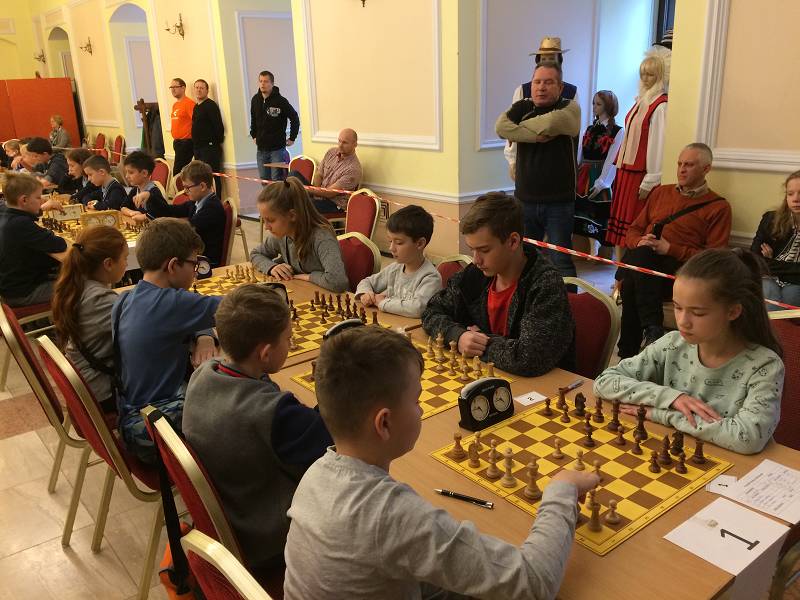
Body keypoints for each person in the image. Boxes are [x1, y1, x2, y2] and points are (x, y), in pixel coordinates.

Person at [283, 326, 599, 599]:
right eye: (416, 400)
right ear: (384, 423)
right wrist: (561, 492)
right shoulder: (393, 515)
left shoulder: (316, 473)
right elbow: (534, 583)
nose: (421, 410)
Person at [183, 284, 332, 590]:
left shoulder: (204, 373)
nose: (291, 343)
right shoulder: (276, 414)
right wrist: (333, 389)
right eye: (288, 339)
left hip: (235, 510)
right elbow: (333, 445)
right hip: (267, 538)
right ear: (265, 353)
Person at [595, 249, 784, 455]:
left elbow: (747, 438)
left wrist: (661, 414)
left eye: (697, 312)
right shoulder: (672, 344)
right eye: (677, 307)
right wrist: (672, 398)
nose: (683, 321)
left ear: (733, 311)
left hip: (735, 466)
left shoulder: (765, 365)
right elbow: (604, 382)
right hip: (676, 453)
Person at [422, 192, 575, 377]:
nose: (476, 260)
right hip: (490, 375)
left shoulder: (546, 284)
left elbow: (529, 358)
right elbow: (431, 311)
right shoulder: (475, 274)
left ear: (513, 241)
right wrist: (458, 335)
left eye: (484, 250)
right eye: (472, 250)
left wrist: (480, 341)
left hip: (542, 386)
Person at [112, 218, 221, 462]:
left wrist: (203, 335)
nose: (196, 271)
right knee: (245, 395)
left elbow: (190, 313)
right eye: (194, 264)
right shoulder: (171, 303)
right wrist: (275, 292)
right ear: (173, 265)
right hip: (154, 430)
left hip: (131, 413)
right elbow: (241, 308)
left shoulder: (126, 298)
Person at [616, 143, 732, 358]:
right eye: (679, 164)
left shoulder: (718, 207)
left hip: (680, 273)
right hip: (645, 265)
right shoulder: (661, 192)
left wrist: (671, 249)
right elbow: (633, 230)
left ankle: (628, 354)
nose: (682, 170)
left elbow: (715, 258)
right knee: (640, 260)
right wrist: (640, 241)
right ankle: (651, 328)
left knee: (633, 278)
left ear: (706, 169)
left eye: (689, 165)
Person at [495, 60, 581, 278]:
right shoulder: (522, 106)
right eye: (537, 82)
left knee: (561, 261)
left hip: (559, 202)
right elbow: (501, 127)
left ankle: (566, 300)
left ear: (560, 87)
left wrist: (518, 130)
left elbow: (550, 124)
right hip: (525, 199)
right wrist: (535, 136)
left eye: (548, 82)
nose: (541, 87)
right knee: (524, 260)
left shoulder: (569, 108)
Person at [51, 226, 128, 408]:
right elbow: (149, 326)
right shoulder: (99, 299)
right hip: (102, 392)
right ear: (108, 264)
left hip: (87, 383)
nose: (126, 264)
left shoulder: (79, 284)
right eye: (125, 258)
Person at [606, 48, 670, 251]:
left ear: (660, 76)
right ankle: (619, 268)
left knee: (634, 228)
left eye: (650, 74)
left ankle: (629, 269)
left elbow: (658, 143)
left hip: (639, 175)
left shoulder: (660, 106)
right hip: (626, 173)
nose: (645, 79)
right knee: (621, 231)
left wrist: (651, 178)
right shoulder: (640, 103)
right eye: (643, 74)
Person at [250, 177, 348, 293]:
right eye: (263, 220)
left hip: (331, 297)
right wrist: (271, 267)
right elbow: (255, 254)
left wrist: (308, 276)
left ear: (292, 215)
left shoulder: (321, 237)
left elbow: (338, 281)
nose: (266, 227)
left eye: (270, 220)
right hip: (302, 292)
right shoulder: (282, 234)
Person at [504, 36, 579, 179]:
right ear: (538, 60)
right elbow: (511, 128)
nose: (548, 62)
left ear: (559, 60)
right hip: (528, 163)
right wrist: (512, 161)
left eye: (552, 58)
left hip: (559, 163)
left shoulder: (571, 92)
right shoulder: (522, 91)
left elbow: (573, 130)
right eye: (544, 58)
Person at [355, 205, 441, 318]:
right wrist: (366, 293)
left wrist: (382, 303)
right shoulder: (394, 268)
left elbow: (418, 308)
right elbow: (367, 282)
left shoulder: (430, 277)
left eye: (399, 243)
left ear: (420, 243)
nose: (391, 248)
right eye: (390, 241)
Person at [0, 172, 67, 306]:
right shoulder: (20, 224)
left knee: (63, 272)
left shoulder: (5, 213)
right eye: (38, 197)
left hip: (11, 285)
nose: (41, 201)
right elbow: (59, 244)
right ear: (24, 200)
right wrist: (48, 232)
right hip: (23, 292)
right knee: (82, 286)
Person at [573, 90, 624, 251]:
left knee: (600, 215)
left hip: (601, 175)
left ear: (608, 106)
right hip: (583, 176)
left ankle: (601, 252)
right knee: (581, 214)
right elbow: (579, 154)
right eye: (593, 103)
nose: (594, 107)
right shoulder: (588, 129)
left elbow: (613, 159)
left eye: (598, 104)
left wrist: (603, 181)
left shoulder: (618, 131)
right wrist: (575, 174)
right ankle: (583, 251)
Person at [751, 171, 800, 310]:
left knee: (792, 298)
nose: (796, 199)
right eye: (790, 194)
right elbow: (755, 258)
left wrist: (772, 262)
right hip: (768, 277)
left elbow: (765, 263)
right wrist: (793, 268)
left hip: (795, 282)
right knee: (769, 296)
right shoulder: (770, 219)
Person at [250, 70, 299, 183]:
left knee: (277, 181)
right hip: (261, 149)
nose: (263, 84)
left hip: (277, 149)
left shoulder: (281, 101)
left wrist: (292, 137)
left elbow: (294, 118)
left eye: (266, 81)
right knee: (264, 180)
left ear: (272, 83)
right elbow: (253, 118)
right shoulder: (255, 100)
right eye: (261, 81)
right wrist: (254, 135)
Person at [176, 160, 226, 268]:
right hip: (196, 255)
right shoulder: (198, 202)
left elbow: (189, 227)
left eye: (187, 187)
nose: (185, 191)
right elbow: (172, 210)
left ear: (202, 186)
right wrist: (150, 197)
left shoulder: (212, 208)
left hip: (206, 263)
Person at [307, 128, 362, 213]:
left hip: (333, 203)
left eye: (345, 143)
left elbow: (329, 193)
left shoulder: (353, 169)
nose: (340, 145)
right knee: (294, 176)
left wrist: (305, 189)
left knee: (301, 203)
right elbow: (319, 174)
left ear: (355, 144)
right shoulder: (331, 152)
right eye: (339, 141)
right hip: (319, 193)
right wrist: (315, 193)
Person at [191, 79, 225, 193]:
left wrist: (213, 143)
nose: (199, 90)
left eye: (201, 88)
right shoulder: (196, 107)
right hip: (198, 148)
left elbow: (218, 127)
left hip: (209, 149)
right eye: (197, 87)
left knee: (212, 177)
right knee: (201, 178)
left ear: (207, 90)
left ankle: (216, 199)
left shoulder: (211, 105)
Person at [119, 151, 172, 221]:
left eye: (131, 172)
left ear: (144, 173)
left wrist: (142, 216)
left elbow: (157, 215)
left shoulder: (154, 193)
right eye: (126, 172)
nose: (126, 176)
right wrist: (132, 213)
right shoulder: (135, 189)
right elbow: (123, 207)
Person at [169, 77, 195, 175]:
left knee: (177, 172)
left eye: (175, 87)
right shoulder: (175, 105)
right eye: (171, 87)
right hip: (177, 142)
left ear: (183, 88)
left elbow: (196, 122)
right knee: (180, 172)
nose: (173, 90)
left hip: (186, 143)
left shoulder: (189, 103)